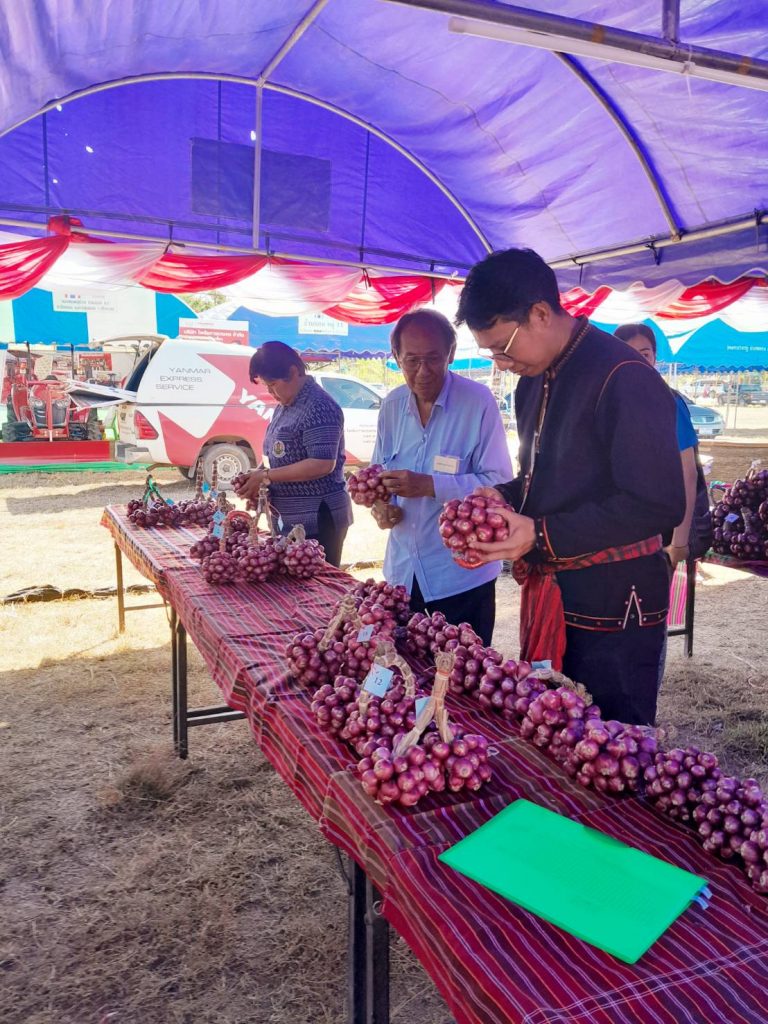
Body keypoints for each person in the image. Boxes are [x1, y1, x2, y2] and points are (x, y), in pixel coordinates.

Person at [455, 248, 685, 725]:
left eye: (503, 347)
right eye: (490, 352)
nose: (501, 362)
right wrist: (505, 497)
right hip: (557, 594)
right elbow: (546, 478)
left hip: (615, 610)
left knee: (612, 743)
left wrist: (538, 534)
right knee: (552, 734)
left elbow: (657, 504)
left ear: (541, 313)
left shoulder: (625, 376)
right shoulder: (532, 380)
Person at [370, 308, 513, 645]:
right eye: (412, 361)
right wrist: (381, 508)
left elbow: (500, 481)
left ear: (451, 353)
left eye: (433, 358)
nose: (423, 371)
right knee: (405, 671)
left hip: (461, 576)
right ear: (397, 357)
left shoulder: (478, 402)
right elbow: (378, 476)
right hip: (403, 573)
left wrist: (430, 485)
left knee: (465, 672)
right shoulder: (391, 406)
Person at [235, 341, 352, 567]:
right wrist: (256, 477)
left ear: (293, 372)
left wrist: (266, 476)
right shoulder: (286, 405)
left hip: (317, 518)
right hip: (288, 517)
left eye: (273, 384)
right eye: (267, 386)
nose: (271, 392)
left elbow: (322, 463)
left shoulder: (320, 406)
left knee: (316, 584)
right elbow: (277, 455)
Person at [614, 323, 711, 568]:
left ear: (655, 357)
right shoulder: (612, 402)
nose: (637, 361)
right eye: (628, 353)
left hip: (662, 531)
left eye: (645, 354)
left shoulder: (667, 401)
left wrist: (679, 542)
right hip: (623, 530)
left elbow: (687, 473)